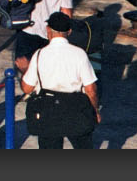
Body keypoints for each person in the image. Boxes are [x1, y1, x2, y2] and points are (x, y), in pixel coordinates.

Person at [20, 10, 98, 149]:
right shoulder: (79, 54)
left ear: (48, 29)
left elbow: (27, 88)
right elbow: (90, 89)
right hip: (76, 109)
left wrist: (25, 69)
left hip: (48, 110)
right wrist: (95, 111)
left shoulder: (39, 54)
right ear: (69, 32)